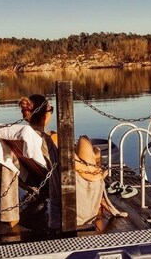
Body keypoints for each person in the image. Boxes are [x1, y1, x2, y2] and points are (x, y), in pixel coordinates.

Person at [18, 94, 124, 230]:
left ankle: (99, 196)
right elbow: (79, 167)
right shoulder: (52, 138)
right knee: (85, 140)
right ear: (45, 114)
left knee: (94, 150)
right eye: (50, 110)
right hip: (67, 180)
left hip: (44, 177)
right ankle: (99, 202)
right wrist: (98, 175)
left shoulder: (23, 138)